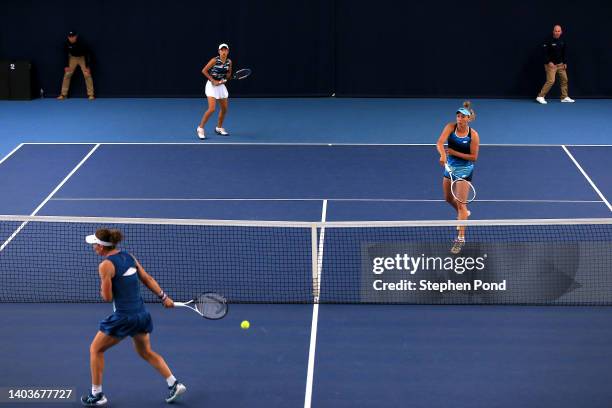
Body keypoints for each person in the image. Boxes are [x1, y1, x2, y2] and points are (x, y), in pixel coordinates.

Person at [81, 229, 186, 406]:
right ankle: (174, 383)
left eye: (94, 244)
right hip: (142, 315)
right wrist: (164, 297)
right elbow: (147, 278)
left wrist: (104, 284)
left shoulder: (105, 265)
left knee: (95, 350)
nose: (93, 247)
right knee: (145, 352)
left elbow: (107, 297)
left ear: (101, 246)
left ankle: (97, 395)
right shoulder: (129, 257)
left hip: (124, 318)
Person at [436, 101, 480, 254]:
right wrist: (443, 154)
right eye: (458, 116)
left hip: (464, 170)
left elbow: (474, 157)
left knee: (461, 204)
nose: (459, 119)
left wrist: (454, 153)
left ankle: (460, 238)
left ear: (469, 119)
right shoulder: (450, 127)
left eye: (463, 117)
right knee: (448, 198)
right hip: (450, 168)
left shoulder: (473, 135)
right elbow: (440, 142)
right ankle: (464, 214)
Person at [196, 43, 233, 140]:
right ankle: (200, 128)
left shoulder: (229, 62)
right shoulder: (214, 60)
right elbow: (204, 70)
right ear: (219, 51)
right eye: (222, 50)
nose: (223, 52)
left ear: (228, 51)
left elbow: (228, 74)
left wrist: (227, 77)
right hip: (211, 85)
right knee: (212, 109)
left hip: (221, 85)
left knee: (224, 109)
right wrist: (213, 80)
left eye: (225, 50)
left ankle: (219, 128)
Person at [536, 25, 575, 104]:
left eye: (558, 31)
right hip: (551, 65)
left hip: (560, 65)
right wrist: (549, 62)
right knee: (551, 81)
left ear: (561, 32)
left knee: (564, 80)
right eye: (556, 31)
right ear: (553, 32)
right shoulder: (548, 40)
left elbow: (564, 53)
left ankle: (564, 97)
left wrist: (565, 62)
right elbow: (544, 53)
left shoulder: (562, 41)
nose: (557, 32)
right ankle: (540, 96)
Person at [57, 31, 95, 100]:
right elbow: (65, 55)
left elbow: (88, 54)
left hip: (82, 58)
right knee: (67, 74)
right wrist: (66, 65)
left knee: (87, 74)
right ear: (68, 37)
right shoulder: (66, 43)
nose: (71, 38)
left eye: (73, 37)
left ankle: (91, 94)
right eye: (70, 37)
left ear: (76, 36)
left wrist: (88, 66)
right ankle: (63, 94)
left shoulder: (82, 44)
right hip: (72, 58)